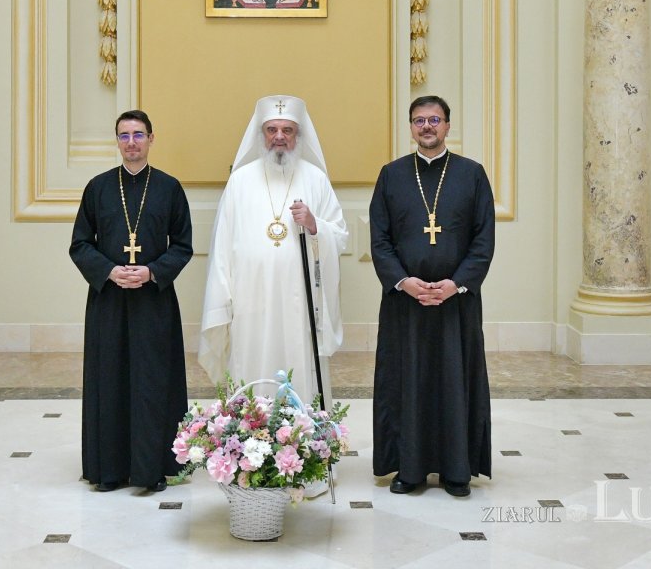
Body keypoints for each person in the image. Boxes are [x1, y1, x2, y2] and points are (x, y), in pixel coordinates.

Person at [370, 95, 495, 498]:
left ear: (447, 125)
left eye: (434, 119)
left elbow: (483, 240)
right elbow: (380, 240)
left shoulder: (472, 174)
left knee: (454, 381)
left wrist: (455, 284)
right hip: (404, 303)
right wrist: (404, 282)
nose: (427, 126)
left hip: (455, 303)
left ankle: (457, 470)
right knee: (407, 383)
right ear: (410, 127)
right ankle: (410, 469)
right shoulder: (391, 175)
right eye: (419, 120)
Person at [69, 110, 193, 493]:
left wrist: (152, 272)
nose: (131, 142)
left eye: (139, 135)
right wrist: (109, 271)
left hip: (154, 302)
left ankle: (152, 468)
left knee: (152, 382)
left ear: (152, 139)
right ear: (117, 141)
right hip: (108, 301)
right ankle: (109, 470)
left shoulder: (170, 188)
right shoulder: (98, 188)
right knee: (110, 379)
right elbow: (79, 244)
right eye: (124, 136)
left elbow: (184, 245)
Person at [200, 95, 347, 405]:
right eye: (272, 129)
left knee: (298, 360)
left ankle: (303, 437)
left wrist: (314, 224)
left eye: (287, 130)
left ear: (298, 135)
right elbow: (223, 245)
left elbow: (340, 235)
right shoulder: (240, 181)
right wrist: (222, 297)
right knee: (251, 359)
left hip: (299, 300)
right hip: (249, 299)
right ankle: (249, 434)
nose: (279, 137)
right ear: (261, 134)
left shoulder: (315, 179)